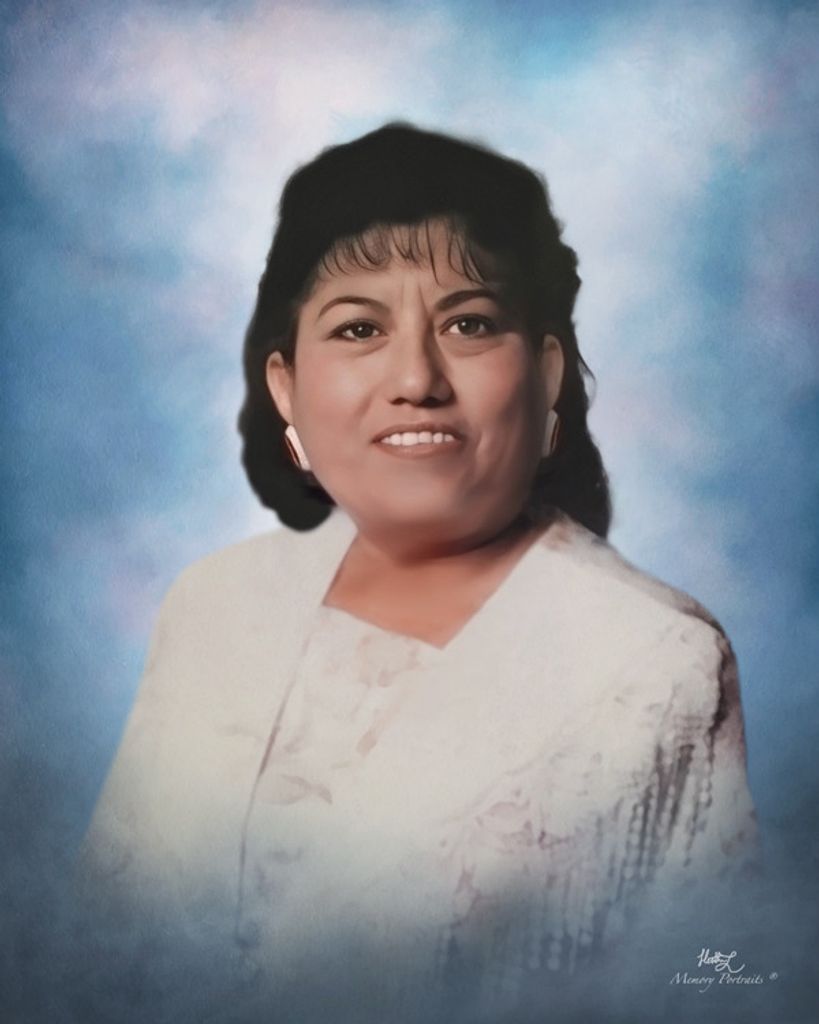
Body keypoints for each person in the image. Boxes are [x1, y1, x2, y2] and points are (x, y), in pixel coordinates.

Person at [76, 123, 762, 1024]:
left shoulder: (655, 665)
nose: (415, 377)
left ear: (546, 372)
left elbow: (725, 985)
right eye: (358, 328)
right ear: (285, 387)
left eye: (468, 324)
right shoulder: (214, 604)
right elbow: (90, 956)